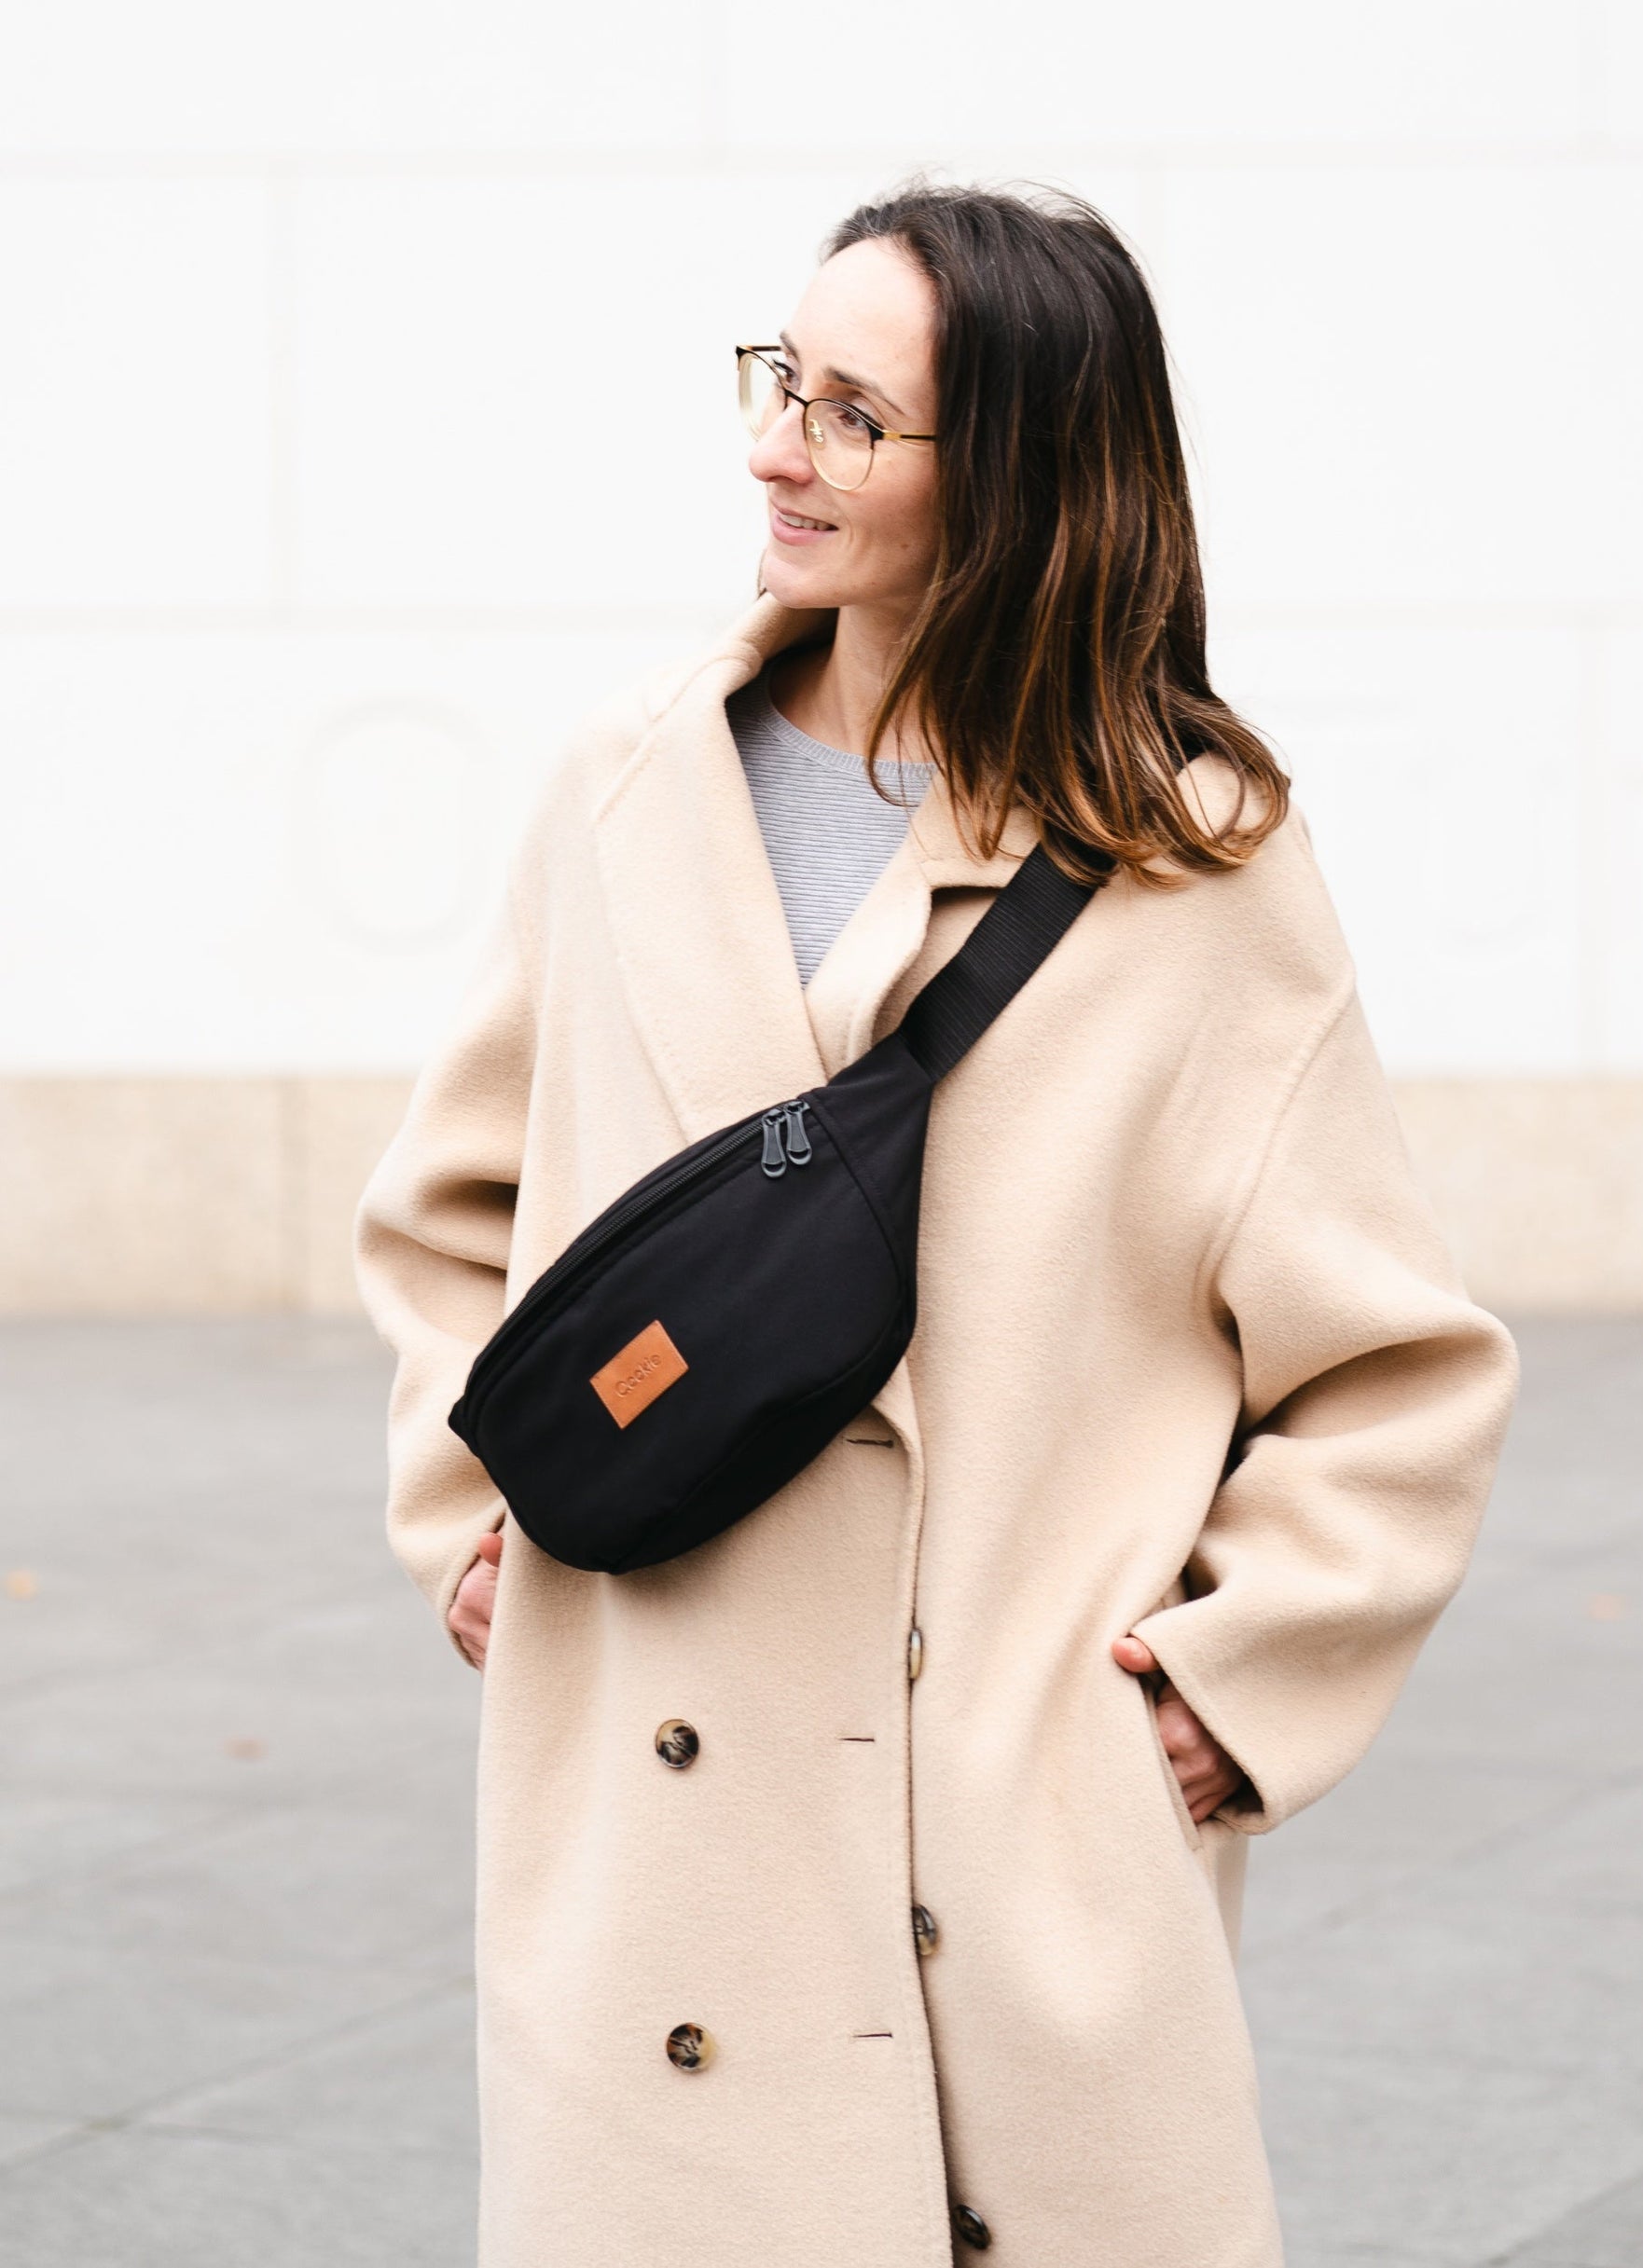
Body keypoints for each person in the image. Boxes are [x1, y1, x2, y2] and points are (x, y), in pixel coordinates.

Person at [354, 181, 1518, 2268]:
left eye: (850, 415)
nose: (772, 448)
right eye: (777, 380)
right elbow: (453, 1211)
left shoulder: (1191, 865)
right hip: (655, 1818)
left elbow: (1393, 1372)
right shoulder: (629, 788)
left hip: (998, 1858)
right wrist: (471, 1503)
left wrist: (1215, 1689)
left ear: (1017, 474)